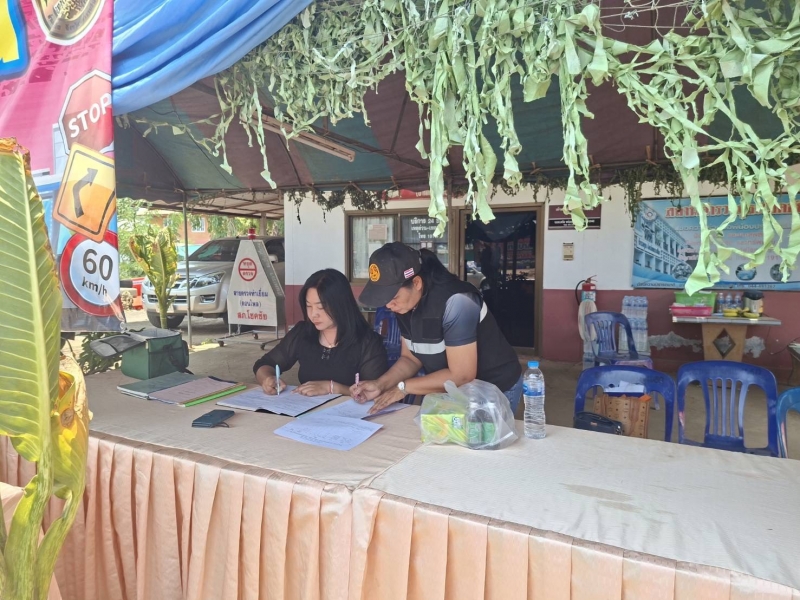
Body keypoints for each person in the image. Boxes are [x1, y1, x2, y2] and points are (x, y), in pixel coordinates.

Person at [352, 242, 522, 414]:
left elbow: (462, 375)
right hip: (456, 391)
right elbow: (410, 359)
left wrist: (403, 387)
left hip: (494, 388)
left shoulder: (458, 301)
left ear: (416, 283)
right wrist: (380, 384)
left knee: (481, 432)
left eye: (393, 297)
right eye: (384, 298)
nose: (388, 305)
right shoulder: (404, 305)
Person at [253, 269, 388, 396]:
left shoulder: (368, 342)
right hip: (307, 409)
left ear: (341, 305)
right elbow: (265, 364)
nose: (313, 314)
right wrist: (267, 378)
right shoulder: (303, 333)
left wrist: (332, 388)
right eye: (309, 306)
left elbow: (374, 393)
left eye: (321, 307)